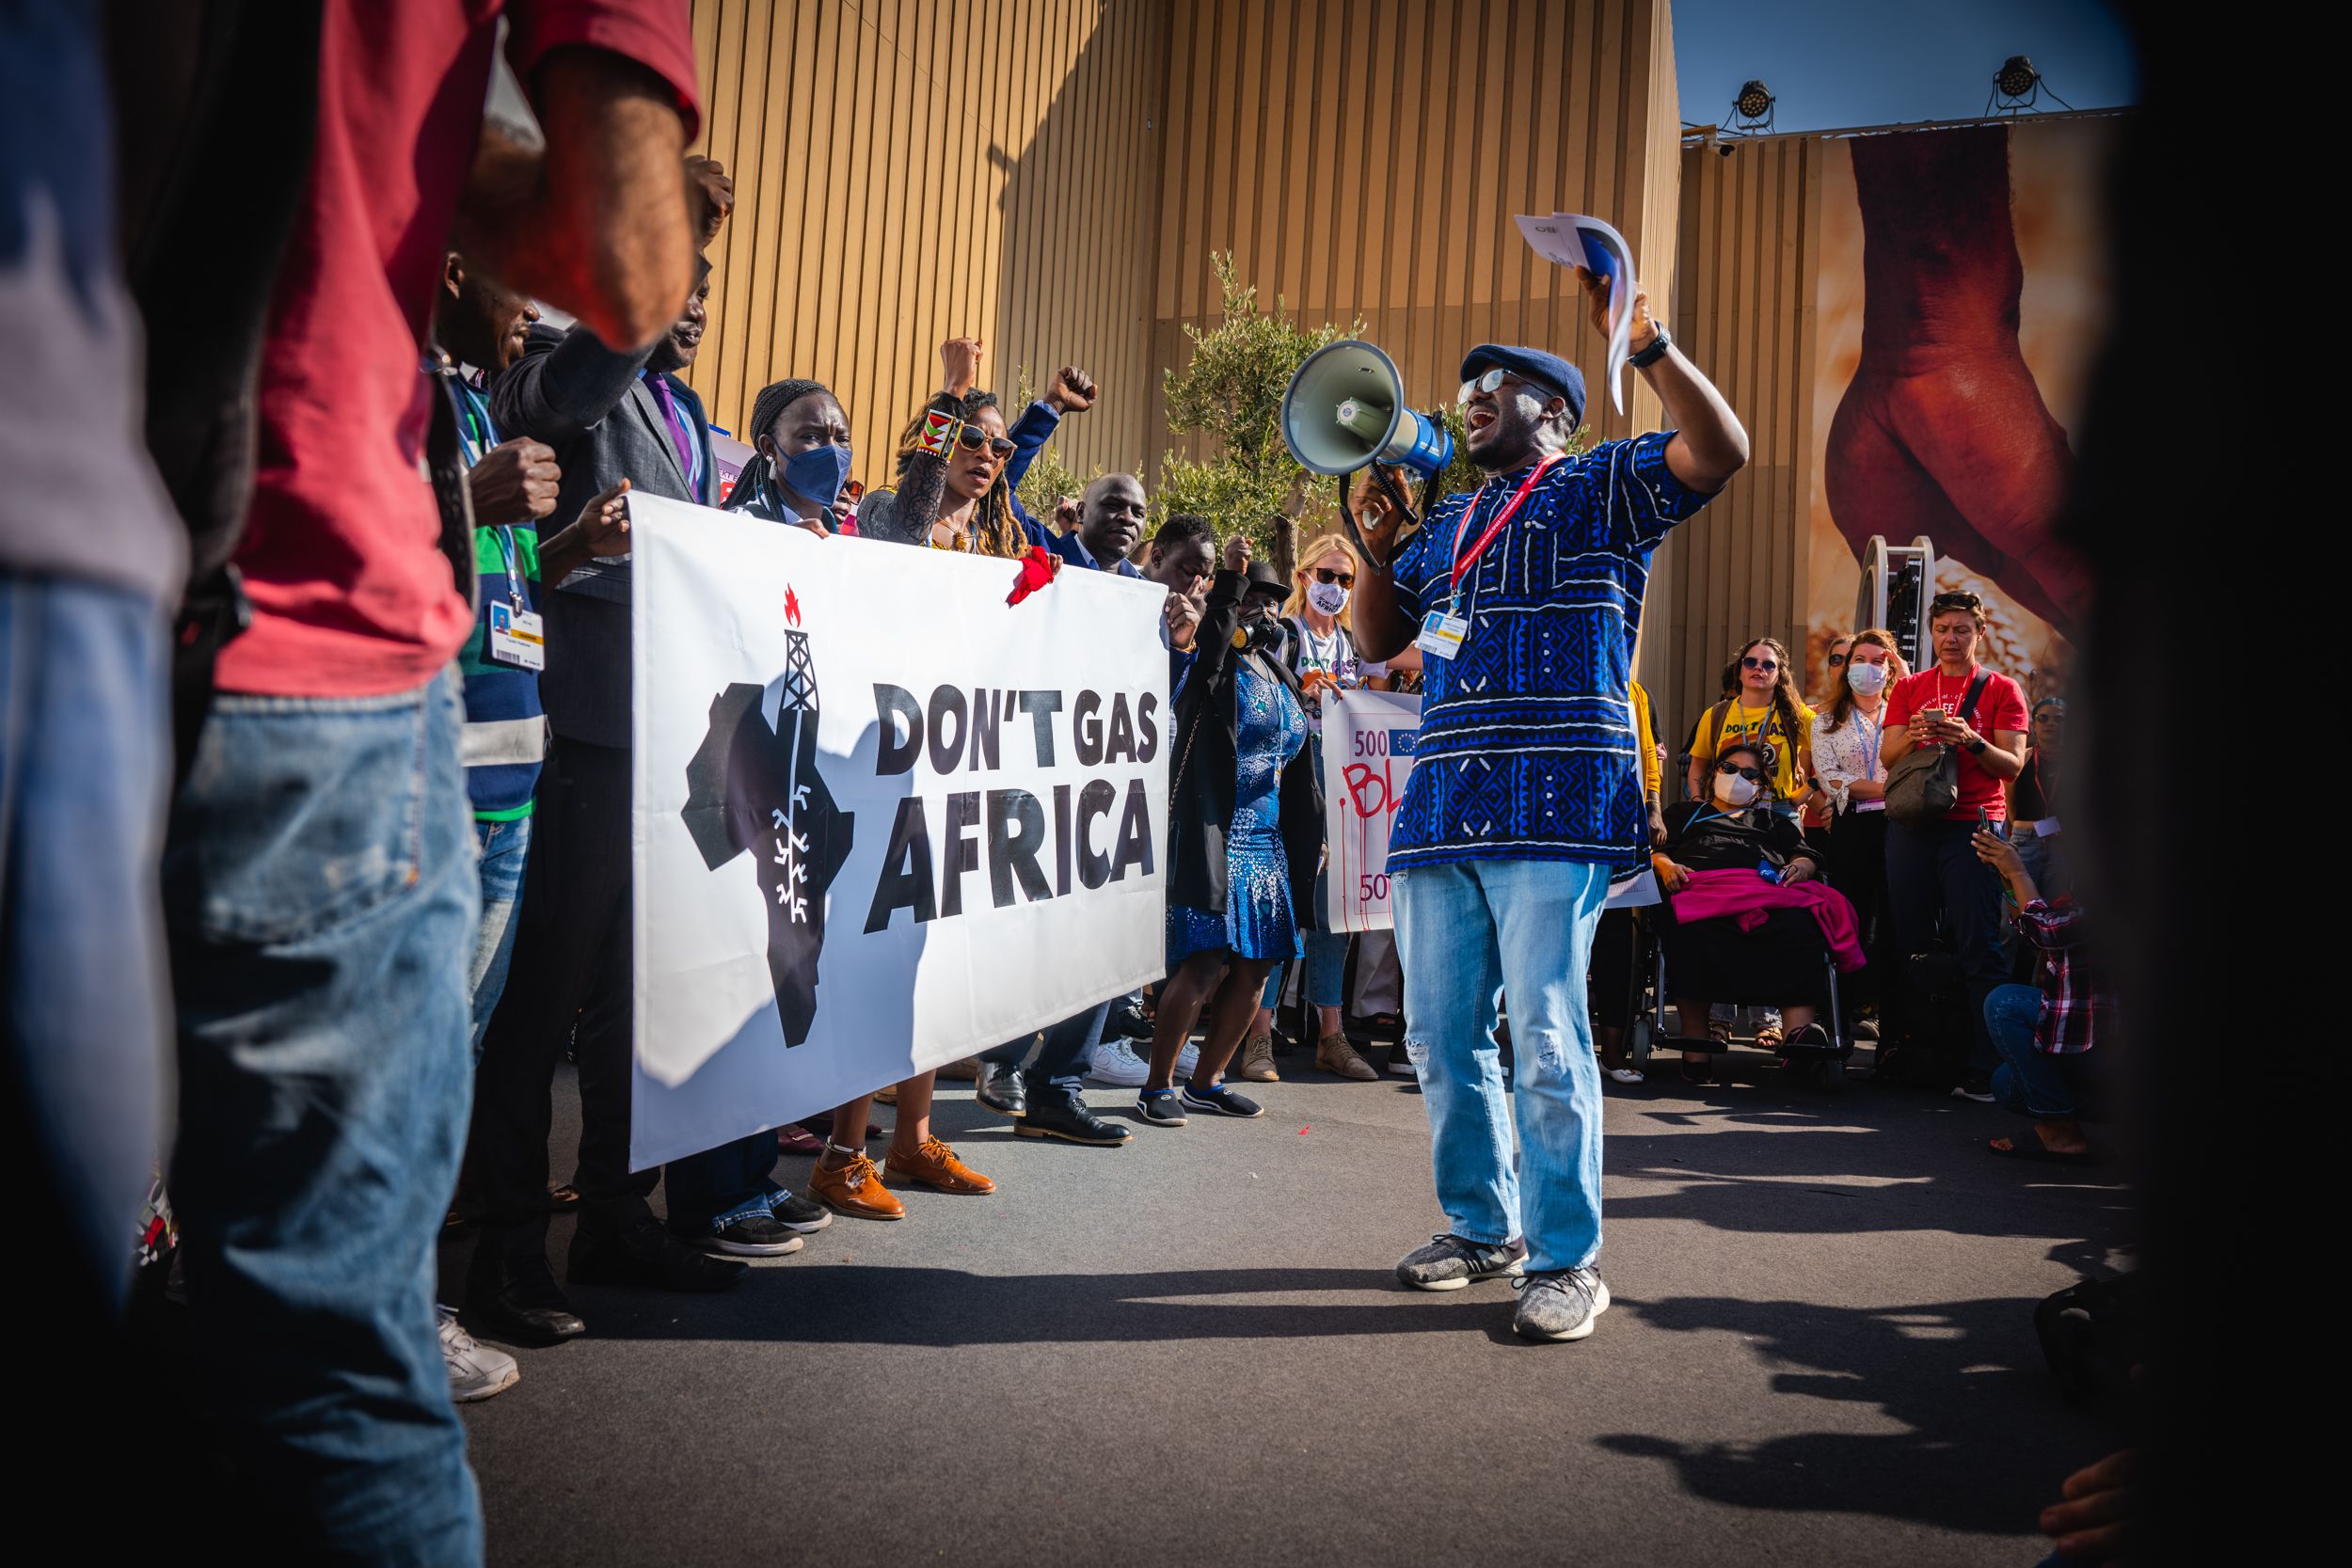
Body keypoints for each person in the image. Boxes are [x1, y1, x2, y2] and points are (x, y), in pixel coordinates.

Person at [139, 8, 703, 1560]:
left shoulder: (512, 396)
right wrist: (451, 165)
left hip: (101, 586)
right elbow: (625, 255)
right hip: (310, 657)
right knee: (335, 1352)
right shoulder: (481, 381)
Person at [1350, 260, 1748, 1342]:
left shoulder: (1603, 483)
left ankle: (1568, 1257)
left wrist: (1652, 347)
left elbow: (1723, 451)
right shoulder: (1449, 519)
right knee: (1439, 1034)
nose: (1471, 397)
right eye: (1466, 386)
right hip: (1441, 810)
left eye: (1498, 386)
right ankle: (1483, 1226)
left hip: (1556, 801)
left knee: (1547, 1033)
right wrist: (1382, 552)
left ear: (1555, 413)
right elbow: (1379, 640)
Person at [473, 258, 812, 1339]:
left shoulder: (686, 407)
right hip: (576, 720)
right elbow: (562, 406)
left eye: (707, 284)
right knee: (540, 1008)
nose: (697, 302)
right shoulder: (555, 367)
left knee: (631, 994)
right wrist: (640, 294)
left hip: (660, 732)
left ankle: (617, 1213)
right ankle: (506, 1252)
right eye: (677, 279)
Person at [971, 472, 1155, 1148]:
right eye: (1113, 505)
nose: (1126, 518)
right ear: (1082, 512)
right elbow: (998, 490)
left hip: (1103, 791)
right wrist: (1045, 411)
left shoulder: (1143, 595)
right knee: (1028, 933)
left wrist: (1188, 645)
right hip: (1031, 778)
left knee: (1100, 943)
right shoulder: (1048, 556)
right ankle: (999, 1055)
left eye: (1137, 510)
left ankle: (1057, 1091)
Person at [1143, 540, 1320, 1125]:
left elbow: (1300, 768)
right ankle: (1158, 1084)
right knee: (1204, 959)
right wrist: (1229, 587)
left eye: (1274, 601)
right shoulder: (1208, 665)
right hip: (1214, 828)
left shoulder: (1277, 673)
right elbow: (1213, 646)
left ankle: (1207, 1080)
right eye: (1253, 599)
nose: (1264, 611)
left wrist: (1310, 836)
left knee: (1259, 964)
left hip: (1267, 842)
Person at [1235, 532, 1384, 1084]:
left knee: (1335, 913)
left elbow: (1392, 683)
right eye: (1327, 576)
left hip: (1348, 786)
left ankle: (1331, 1035)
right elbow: (1257, 694)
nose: (1337, 589)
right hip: (1294, 780)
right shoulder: (1286, 636)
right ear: (1304, 578)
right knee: (1285, 908)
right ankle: (1256, 1036)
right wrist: (1301, 686)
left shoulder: (1356, 643)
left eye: (1347, 580)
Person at [1880, 589, 2029, 1101]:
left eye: (1962, 629)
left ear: (1979, 633)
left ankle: (1987, 1067)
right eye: (1942, 628)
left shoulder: (2003, 689)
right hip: (1914, 826)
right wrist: (1916, 734)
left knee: (1979, 946)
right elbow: (1888, 757)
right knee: (1912, 944)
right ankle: (1915, 1054)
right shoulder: (1911, 687)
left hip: (1975, 828)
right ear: (1931, 632)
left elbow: (2012, 767)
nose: (1951, 638)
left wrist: (1970, 738)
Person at [1651, 743, 1838, 1084]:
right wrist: (1666, 867)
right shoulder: (1684, 814)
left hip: (1764, 895)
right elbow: (1658, 852)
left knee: (1803, 925)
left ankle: (1799, 1041)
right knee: (1690, 928)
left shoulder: (1772, 821)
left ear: (1760, 788)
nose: (1738, 777)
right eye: (1730, 769)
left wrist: (1801, 866)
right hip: (1703, 893)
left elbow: (1805, 854)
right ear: (1714, 774)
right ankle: (1697, 1044)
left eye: (1750, 774)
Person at [1974, 824, 2106, 1162]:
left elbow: (2048, 931)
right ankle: (2062, 1116)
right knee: (2007, 1084)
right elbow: (2034, 928)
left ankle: (2062, 1132)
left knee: (2005, 1005)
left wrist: (2017, 869)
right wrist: (2007, 878)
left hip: (2110, 1051)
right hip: (2092, 1043)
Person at [1810, 626, 1905, 1022]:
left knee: (1897, 920)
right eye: (1859, 660)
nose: (1869, 668)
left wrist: (1904, 670)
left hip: (1900, 825)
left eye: (1879, 660)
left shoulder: (1902, 713)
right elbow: (1831, 779)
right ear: (1846, 667)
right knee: (1850, 919)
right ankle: (1839, 1016)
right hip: (1851, 828)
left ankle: (1893, 1015)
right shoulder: (1825, 720)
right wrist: (1889, 786)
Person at [1589, 674, 1669, 1085]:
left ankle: (1613, 1053)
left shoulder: (1637, 691)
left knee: (1616, 943)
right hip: (1560, 829)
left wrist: (1652, 806)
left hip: (1619, 827)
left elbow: (1648, 759)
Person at [1686, 637, 1815, 820]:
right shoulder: (1715, 714)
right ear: (1739, 672)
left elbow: (1836, 751)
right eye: (1750, 662)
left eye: (1768, 665)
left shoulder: (1796, 715)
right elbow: (1698, 765)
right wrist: (1698, 800)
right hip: (1724, 811)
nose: (1758, 668)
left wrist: (1810, 788)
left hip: (1777, 813)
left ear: (1780, 676)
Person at [2008, 696, 2068, 896]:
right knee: (2020, 911)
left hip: (2063, 842)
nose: (2051, 723)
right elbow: (2011, 805)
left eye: (2059, 719)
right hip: (2025, 840)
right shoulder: (2022, 758)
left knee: (2058, 911)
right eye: (2043, 718)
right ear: (2033, 724)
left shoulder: (2076, 761)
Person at [1801, 634, 1853, 853]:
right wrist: (1827, 813)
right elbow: (1800, 776)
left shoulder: (1882, 717)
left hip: (1863, 821)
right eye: (1836, 659)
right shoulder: (1810, 714)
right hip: (1817, 823)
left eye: (1851, 658)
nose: (1843, 665)